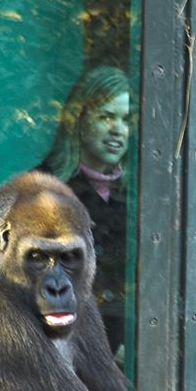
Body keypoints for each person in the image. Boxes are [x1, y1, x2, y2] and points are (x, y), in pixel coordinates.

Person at [37, 66, 132, 356]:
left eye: (126, 120)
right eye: (106, 116)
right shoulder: (44, 189)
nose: (118, 128)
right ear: (78, 121)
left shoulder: (138, 194)